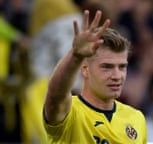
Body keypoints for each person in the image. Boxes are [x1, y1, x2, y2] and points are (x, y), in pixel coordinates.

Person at [43, 10, 147, 144]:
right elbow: (55, 94)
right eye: (107, 67)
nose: (117, 76)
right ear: (85, 69)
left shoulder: (136, 118)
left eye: (122, 67)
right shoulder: (70, 113)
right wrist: (75, 56)